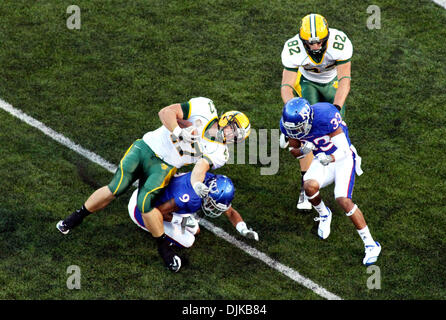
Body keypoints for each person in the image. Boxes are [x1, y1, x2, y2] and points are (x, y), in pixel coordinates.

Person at [57, 97, 251, 269]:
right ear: (226, 119)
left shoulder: (221, 153)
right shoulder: (205, 107)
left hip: (166, 167)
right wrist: (178, 130)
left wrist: (197, 184)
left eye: (238, 136)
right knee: (116, 187)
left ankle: (164, 249)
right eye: (234, 130)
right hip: (146, 147)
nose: (233, 137)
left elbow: (200, 167)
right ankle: (76, 217)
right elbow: (166, 112)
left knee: (145, 203)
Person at [279, 97, 381, 266]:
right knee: (308, 186)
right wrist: (304, 149)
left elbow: (345, 150)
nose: (297, 131)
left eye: (299, 127)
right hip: (322, 158)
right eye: (293, 128)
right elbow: (294, 151)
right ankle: (324, 214)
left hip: (342, 158)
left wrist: (330, 158)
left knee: (343, 199)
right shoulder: (290, 124)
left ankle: (371, 244)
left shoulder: (326, 116)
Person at [280, 13, 353, 210]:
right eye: (310, 43)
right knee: (305, 133)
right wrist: (293, 112)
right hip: (308, 83)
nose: (315, 47)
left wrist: (335, 109)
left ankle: (345, 162)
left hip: (333, 83)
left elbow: (345, 79)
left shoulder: (339, 43)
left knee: (335, 129)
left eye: (319, 42)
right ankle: (306, 185)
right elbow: (286, 86)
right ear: (302, 40)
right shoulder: (292, 49)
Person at [128, 172, 259, 272]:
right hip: (142, 209)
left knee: (195, 229)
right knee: (188, 240)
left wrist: (244, 229)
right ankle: (151, 231)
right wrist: (180, 220)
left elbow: (230, 212)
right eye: (213, 205)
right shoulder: (190, 197)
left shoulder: (209, 182)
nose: (214, 209)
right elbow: (156, 213)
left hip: (159, 198)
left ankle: (176, 221)